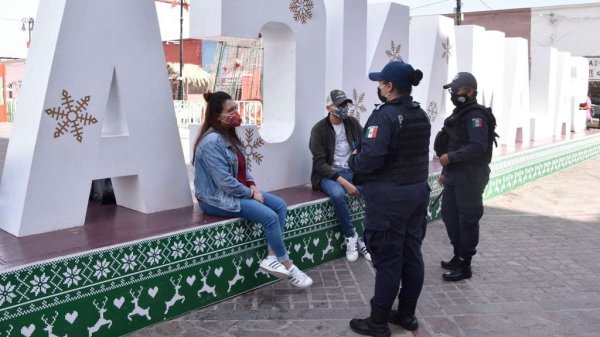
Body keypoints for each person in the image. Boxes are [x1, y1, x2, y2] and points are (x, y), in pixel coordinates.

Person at [193, 91, 313, 288]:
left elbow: (243, 169)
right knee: (270, 217)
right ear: (217, 116)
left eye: (235, 108)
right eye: (230, 110)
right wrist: (251, 194)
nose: (236, 113)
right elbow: (224, 181)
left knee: (280, 206)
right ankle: (289, 266)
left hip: (238, 191)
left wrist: (253, 186)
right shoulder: (211, 142)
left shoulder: (228, 137)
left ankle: (271, 257)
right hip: (216, 199)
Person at [348, 61, 431, 337]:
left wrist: (354, 162)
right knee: (411, 254)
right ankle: (406, 314)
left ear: (389, 86)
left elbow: (370, 158)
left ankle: (378, 321)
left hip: (390, 197)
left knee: (387, 258)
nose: (379, 87)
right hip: (417, 192)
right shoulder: (420, 115)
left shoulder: (384, 116)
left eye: (381, 82)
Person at [435, 72, 494, 282]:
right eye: (452, 90)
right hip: (454, 175)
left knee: (467, 219)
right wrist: (445, 171)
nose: (453, 94)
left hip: (470, 176)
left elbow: (478, 147)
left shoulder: (475, 116)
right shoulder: (460, 113)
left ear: (471, 92)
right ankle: (457, 255)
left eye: (456, 90)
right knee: (450, 216)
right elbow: (454, 142)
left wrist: (450, 158)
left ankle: (465, 264)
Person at [309, 89, 371, 262]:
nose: (344, 108)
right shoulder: (319, 130)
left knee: (374, 189)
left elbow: (365, 145)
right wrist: (344, 183)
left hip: (352, 170)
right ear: (329, 107)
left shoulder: (352, 123)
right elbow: (320, 164)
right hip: (329, 175)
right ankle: (350, 236)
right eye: (339, 105)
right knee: (337, 194)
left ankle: (364, 239)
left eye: (345, 104)